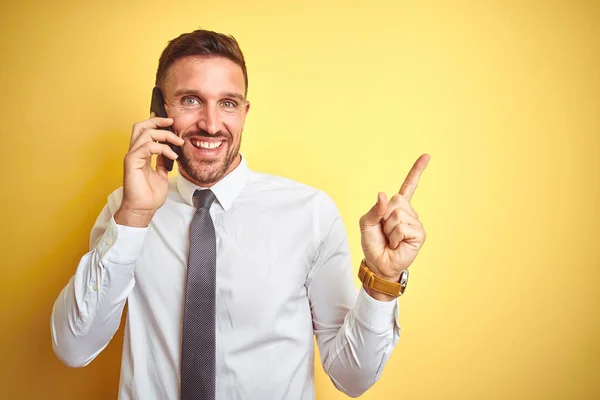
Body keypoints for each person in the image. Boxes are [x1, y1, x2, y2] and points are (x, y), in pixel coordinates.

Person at [51, 29, 430, 400]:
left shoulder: (309, 214)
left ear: (245, 112)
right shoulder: (126, 210)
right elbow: (73, 347)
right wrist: (133, 215)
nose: (212, 124)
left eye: (228, 103)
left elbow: (353, 377)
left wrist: (382, 280)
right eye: (190, 100)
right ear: (159, 109)